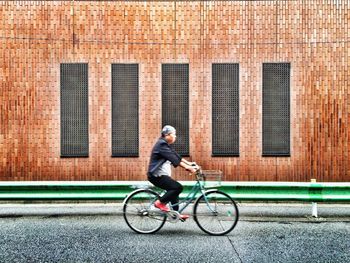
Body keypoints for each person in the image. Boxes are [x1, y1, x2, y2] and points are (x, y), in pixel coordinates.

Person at [147, 125, 198, 221]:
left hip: (161, 175)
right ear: (167, 135)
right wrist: (188, 168)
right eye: (174, 134)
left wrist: (189, 164)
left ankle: (176, 214)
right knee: (177, 187)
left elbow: (176, 156)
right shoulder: (161, 145)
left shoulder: (165, 145)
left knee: (174, 191)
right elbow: (174, 159)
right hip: (156, 176)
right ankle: (160, 203)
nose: (175, 136)